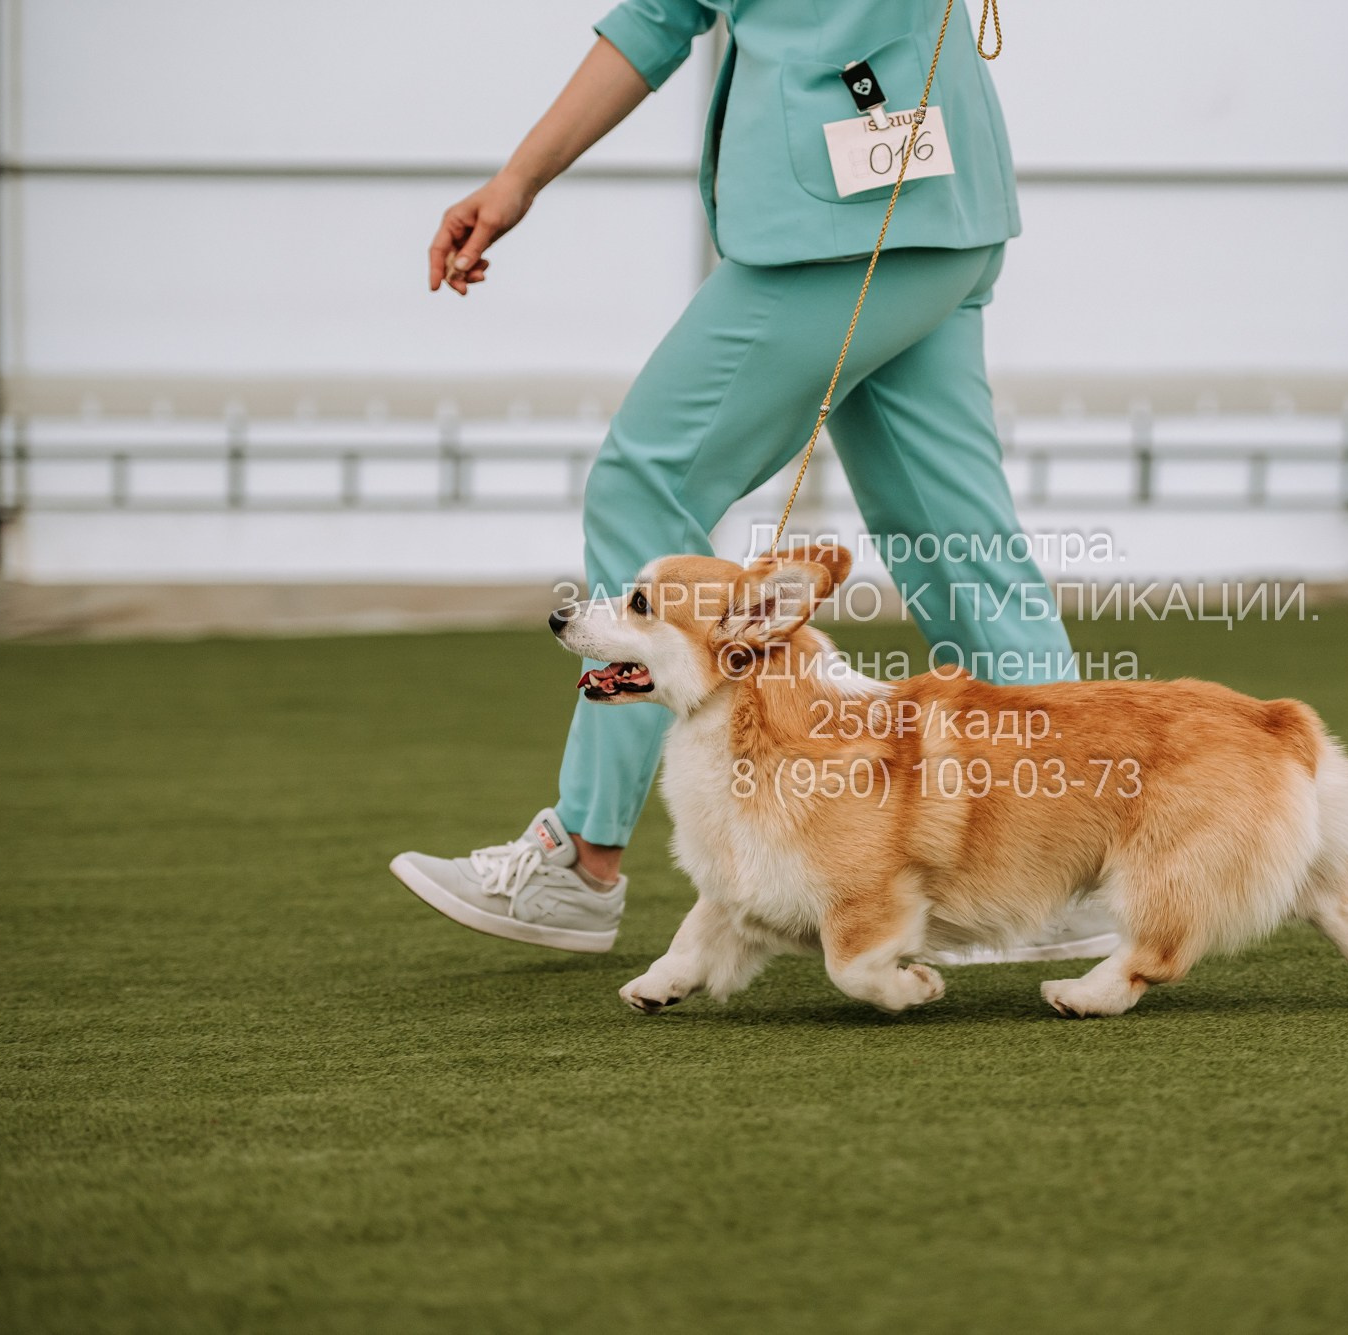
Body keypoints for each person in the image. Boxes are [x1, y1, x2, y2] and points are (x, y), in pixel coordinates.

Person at [390, 0, 1117, 965]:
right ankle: (1075, 870)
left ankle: (582, 857)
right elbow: (661, 16)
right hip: (930, 203)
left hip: (839, 223)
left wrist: (518, 181)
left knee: (643, 484)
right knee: (958, 543)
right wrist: (516, 181)